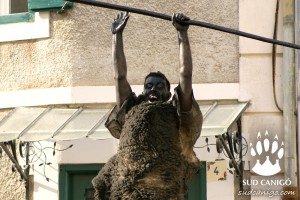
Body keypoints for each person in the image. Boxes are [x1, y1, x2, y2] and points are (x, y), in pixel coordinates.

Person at [92, 12, 203, 200]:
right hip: (129, 188)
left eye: (160, 87)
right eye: (149, 86)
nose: (153, 90)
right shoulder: (131, 109)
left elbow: (186, 75)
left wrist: (182, 34)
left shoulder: (174, 113)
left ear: (168, 94)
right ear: (142, 91)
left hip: (163, 186)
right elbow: (119, 77)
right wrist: (116, 37)